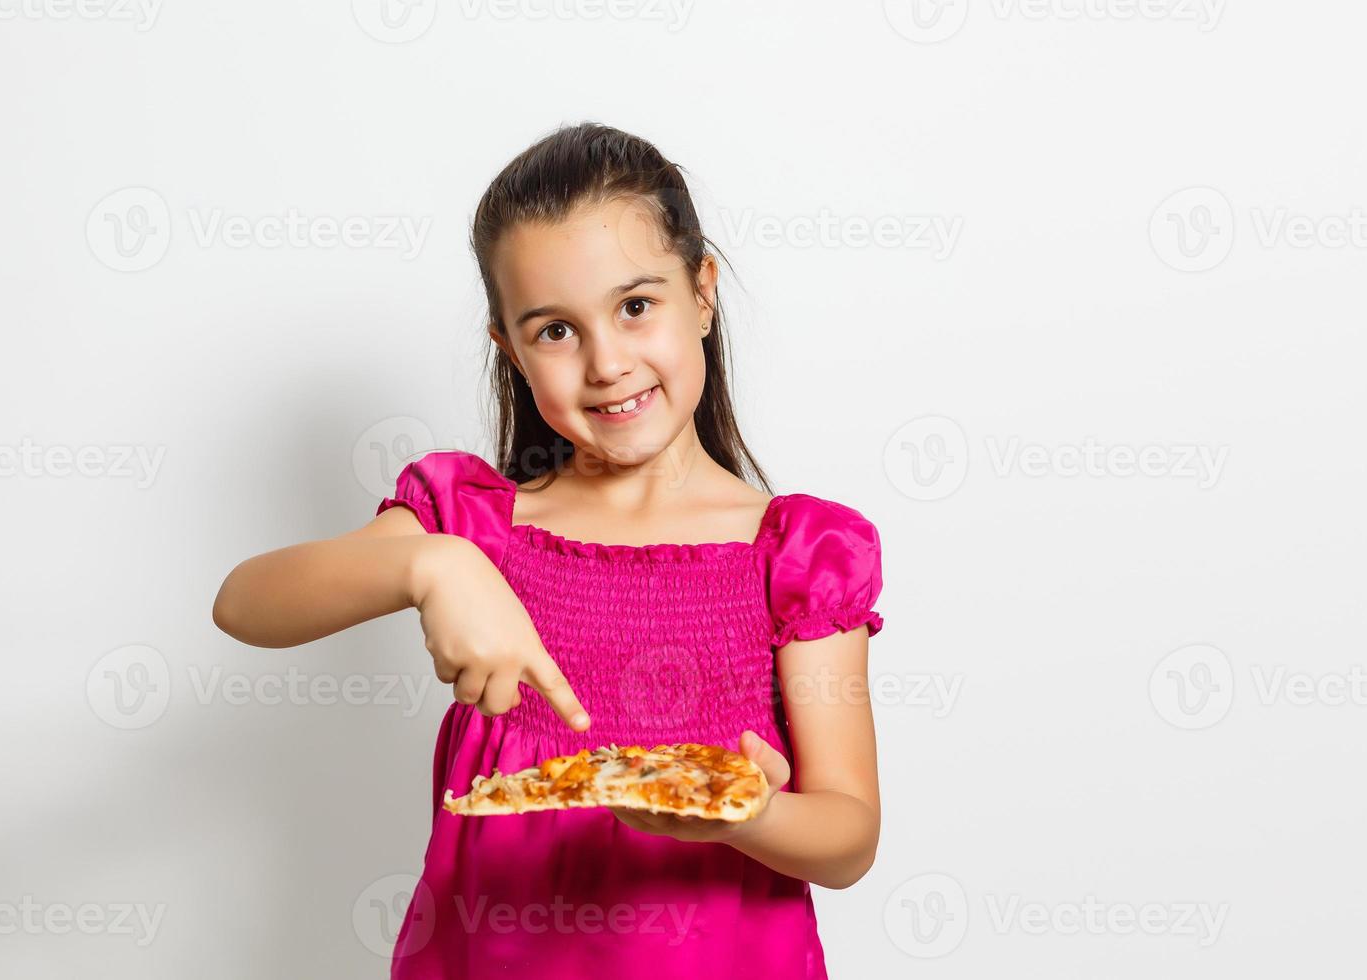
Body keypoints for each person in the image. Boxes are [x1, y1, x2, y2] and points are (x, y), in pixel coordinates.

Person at [213, 121, 887, 979]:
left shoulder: (795, 553)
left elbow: (848, 838)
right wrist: (431, 565)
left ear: (703, 294)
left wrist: (744, 815)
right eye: (556, 331)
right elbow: (243, 604)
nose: (607, 363)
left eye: (636, 307)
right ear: (510, 348)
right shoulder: (475, 523)